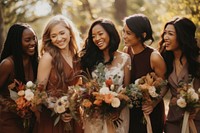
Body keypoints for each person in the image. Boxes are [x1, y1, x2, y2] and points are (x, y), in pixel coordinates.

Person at [33, 15, 84, 133]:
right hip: (52, 118)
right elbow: (40, 93)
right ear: (49, 38)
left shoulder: (78, 56)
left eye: (62, 33)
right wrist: (57, 108)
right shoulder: (48, 57)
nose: (59, 38)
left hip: (74, 116)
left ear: (70, 33)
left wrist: (74, 105)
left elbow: (80, 87)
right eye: (54, 36)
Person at [81, 18, 131, 133]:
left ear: (110, 33)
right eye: (93, 36)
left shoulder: (125, 58)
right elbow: (86, 90)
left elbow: (126, 89)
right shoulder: (89, 60)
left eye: (100, 34)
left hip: (117, 115)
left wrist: (117, 108)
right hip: (95, 117)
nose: (97, 39)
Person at [122, 13, 167, 133]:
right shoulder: (126, 51)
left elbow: (165, 84)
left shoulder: (154, 56)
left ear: (142, 35)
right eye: (124, 32)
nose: (124, 36)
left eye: (129, 33)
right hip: (132, 110)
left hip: (149, 112)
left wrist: (153, 104)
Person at [159, 17, 200, 133]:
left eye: (170, 34)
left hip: (195, 119)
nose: (165, 37)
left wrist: (197, 106)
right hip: (173, 121)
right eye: (165, 33)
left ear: (183, 36)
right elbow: (162, 86)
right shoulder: (165, 59)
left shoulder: (197, 60)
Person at [0, 23, 38, 133]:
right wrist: (15, 106)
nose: (33, 43)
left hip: (30, 119)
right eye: (27, 40)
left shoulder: (36, 62)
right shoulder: (7, 64)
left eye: (34, 38)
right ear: (17, 43)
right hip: (8, 120)